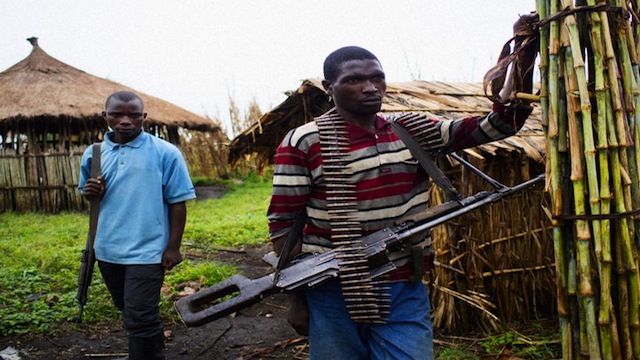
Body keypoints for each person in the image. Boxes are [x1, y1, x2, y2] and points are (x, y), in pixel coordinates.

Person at [267, 46, 533, 359]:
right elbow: (284, 226)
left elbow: (500, 125)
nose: (370, 87)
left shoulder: (410, 129)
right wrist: (297, 300)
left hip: (402, 283)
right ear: (329, 88)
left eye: (377, 78)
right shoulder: (303, 141)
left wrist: (524, 55)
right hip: (332, 287)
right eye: (354, 80)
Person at [78, 91, 196, 360]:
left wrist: (173, 247)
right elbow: (87, 194)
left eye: (133, 115)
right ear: (104, 116)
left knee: (141, 316)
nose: (125, 120)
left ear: (144, 117)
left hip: (148, 250)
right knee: (127, 308)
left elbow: (178, 203)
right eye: (117, 114)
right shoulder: (94, 154)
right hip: (106, 248)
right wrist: (90, 191)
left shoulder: (165, 152)